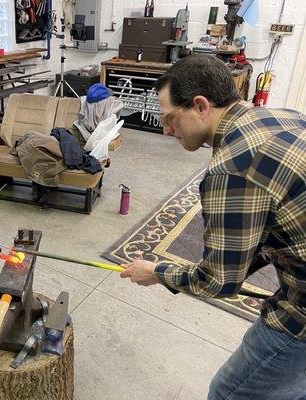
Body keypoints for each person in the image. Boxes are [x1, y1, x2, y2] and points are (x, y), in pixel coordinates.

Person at [120, 54, 305, 400]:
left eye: (171, 118)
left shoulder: (232, 169)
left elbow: (219, 281)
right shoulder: (280, 115)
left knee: (231, 392)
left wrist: (158, 272)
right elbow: (269, 229)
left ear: (201, 105)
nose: (166, 130)